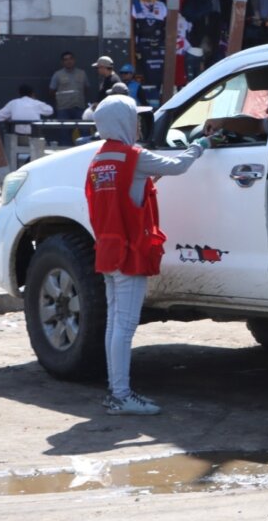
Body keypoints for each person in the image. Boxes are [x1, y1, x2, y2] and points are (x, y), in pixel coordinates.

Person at [86, 94, 208, 415]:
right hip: (130, 251)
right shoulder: (133, 156)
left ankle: (116, 393)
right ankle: (121, 394)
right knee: (124, 327)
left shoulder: (100, 160)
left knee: (115, 325)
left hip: (109, 250)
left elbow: (120, 195)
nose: (138, 126)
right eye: (134, 118)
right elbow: (179, 165)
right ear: (122, 121)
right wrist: (201, 145)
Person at [49, 51, 88, 120]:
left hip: (79, 107)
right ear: (62, 62)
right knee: (64, 130)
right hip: (63, 109)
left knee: (83, 129)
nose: (69, 61)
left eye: (70, 59)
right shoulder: (57, 74)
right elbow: (52, 90)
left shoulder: (82, 73)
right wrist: (61, 99)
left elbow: (86, 88)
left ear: (74, 60)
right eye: (66, 60)